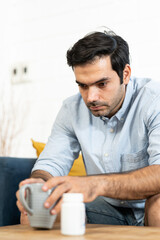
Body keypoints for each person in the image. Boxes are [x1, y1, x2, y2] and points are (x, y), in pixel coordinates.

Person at [16, 29, 160, 226]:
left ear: (125, 74)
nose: (91, 97)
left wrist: (95, 184)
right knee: (36, 210)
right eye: (83, 86)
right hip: (105, 209)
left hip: (150, 206)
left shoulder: (153, 100)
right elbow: (51, 163)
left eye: (102, 84)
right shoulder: (71, 110)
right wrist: (39, 184)